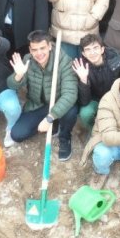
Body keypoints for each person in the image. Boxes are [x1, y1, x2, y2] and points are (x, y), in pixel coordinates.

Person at [8, 30, 78, 161]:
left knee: (71, 110)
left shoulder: (64, 61)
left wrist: (50, 118)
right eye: (34, 50)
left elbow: (70, 94)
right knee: (17, 134)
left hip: (59, 103)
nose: (39, 53)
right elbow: (11, 85)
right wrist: (18, 76)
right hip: (37, 105)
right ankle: (55, 123)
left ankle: (64, 136)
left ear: (50, 46)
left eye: (42, 48)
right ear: (30, 49)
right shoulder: (28, 60)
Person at [72, 34, 120, 131]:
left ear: (102, 49)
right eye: (88, 49)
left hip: (115, 98)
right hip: (95, 99)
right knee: (85, 113)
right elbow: (84, 102)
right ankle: (95, 131)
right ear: (84, 54)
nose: (92, 52)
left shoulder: (118, 62)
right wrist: (83, 79)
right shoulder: (81, 68)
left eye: (95, 48)